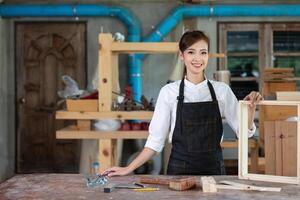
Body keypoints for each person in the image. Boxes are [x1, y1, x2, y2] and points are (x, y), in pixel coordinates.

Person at [102, 30, 263, 176]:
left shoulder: (222, 91)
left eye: (203, 52)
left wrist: (249, 111)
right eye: (191, 52)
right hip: (178, 171)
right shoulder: (169, 92)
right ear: (182, 55)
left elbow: (244, 133)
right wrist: (128, 168)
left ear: (208, 55)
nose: (198, 58)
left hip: (214, 170)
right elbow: (156, 141)